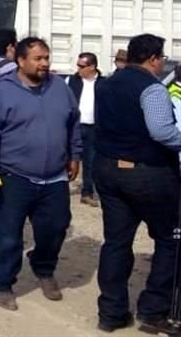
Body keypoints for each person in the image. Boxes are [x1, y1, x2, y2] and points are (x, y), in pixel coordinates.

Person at [0, 37, 82, 311]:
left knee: (56, 227)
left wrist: (75, 154)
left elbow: (73, 124)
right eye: (38, 58)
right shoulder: (2, 92)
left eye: (46, 57)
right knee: (8, 235)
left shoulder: (60, 88)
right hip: (14, 176)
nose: (44, 63)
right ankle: (2, 283)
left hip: (54, 178)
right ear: (21, 61)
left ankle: (44, 269)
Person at [93, 34, 181, 334]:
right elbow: (162, 132)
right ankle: (153, 311)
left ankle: (111, 312)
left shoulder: (106, 84)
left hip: (107, 169)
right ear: (154, 59)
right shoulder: (152, 89)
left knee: (116, 241)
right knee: (171, 239)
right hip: (148, 173)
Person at [66, 52, 103, 207]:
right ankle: (60, 190)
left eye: (82, 66)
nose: (79, 69)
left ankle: (87, 192)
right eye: (78, 65)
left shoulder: (103, 83)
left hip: (94, 127)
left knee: (91, 162)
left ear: (92, 67)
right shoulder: (71, 81)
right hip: (75, 125)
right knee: (67, 158)